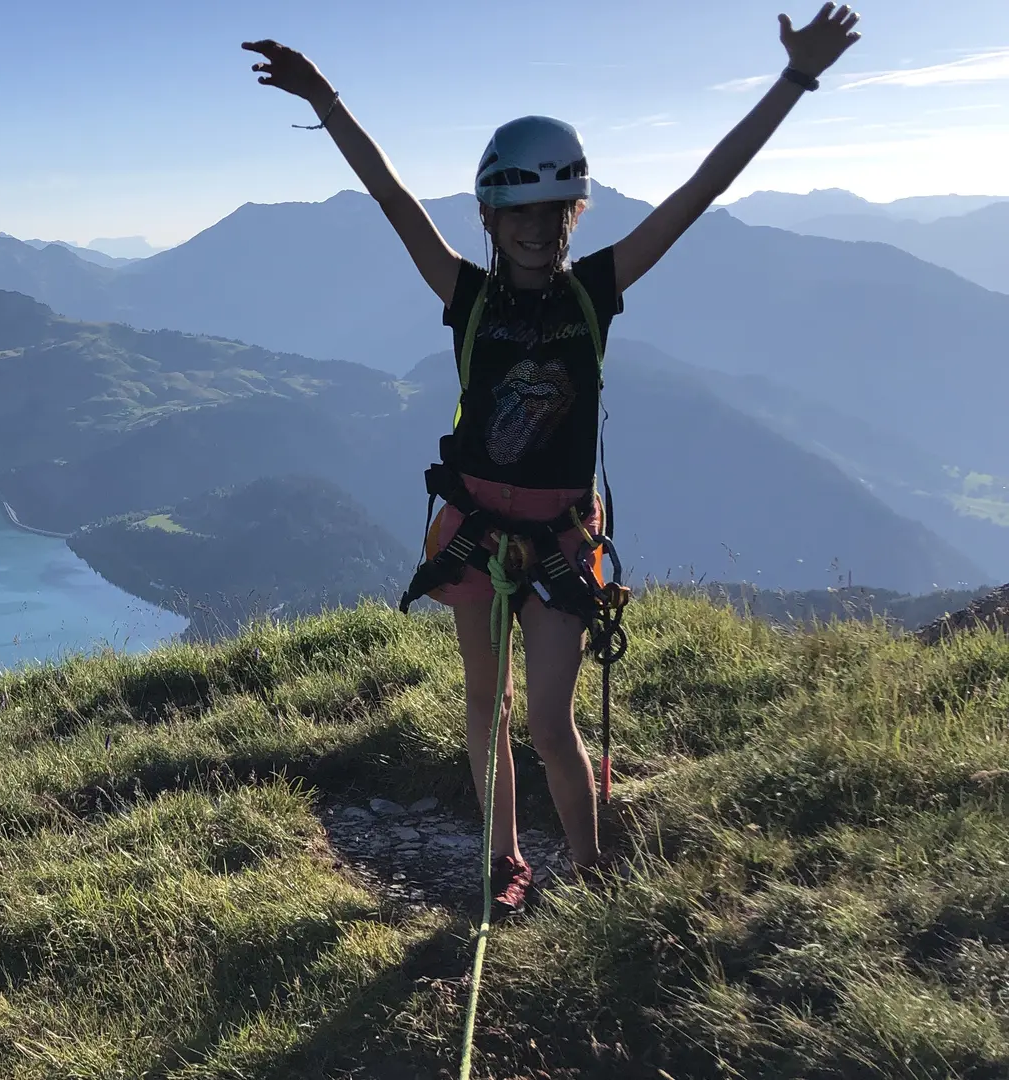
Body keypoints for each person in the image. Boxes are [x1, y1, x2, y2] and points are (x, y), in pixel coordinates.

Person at [243, 5, 861, 913]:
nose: (536, 229)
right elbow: (392, 199)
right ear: (494, 216)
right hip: (483, 534)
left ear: (571, 212)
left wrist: (794, 80)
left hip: (552, 540)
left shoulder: (595, 291)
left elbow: (699, 191)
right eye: (519, 213)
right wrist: (325, 101)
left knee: (545, 719)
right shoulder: (465, 294)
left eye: (551, 212)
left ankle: (593, 869)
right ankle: (507, 868)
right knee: (486, 712)